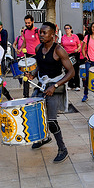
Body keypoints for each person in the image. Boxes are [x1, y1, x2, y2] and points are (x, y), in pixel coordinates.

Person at [27, 22, 74, 163]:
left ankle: (62, 149)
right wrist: (33, 75)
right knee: (36, 114)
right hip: (42, 86)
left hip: (55, 87)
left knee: (51, 120)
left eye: (44, 33)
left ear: (53, 35)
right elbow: (40, 66)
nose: (41, 35)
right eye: (40, 32)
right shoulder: (38, 48)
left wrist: (55, 85)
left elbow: (71, 72)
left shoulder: (59, 50)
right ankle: (45, 138)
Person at [20, 15, 41, 97]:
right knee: (26, 76)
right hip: (28, 56)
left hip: (37, 56)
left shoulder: (37, 31)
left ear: (32, 22)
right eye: (26, 23)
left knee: (39, 74)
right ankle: (25, 95)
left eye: (29, 23)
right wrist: (20, 48)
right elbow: (24, 42)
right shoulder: (25, 31)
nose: (27, 24)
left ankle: (42, 91)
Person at [61, 24, 81, 91]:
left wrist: (77, 50)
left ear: (71, 29)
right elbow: (61, 46)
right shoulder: (63, 37)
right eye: (65, 28)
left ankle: (77, 85)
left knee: (75, 69)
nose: (67, 30)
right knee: (68, 70)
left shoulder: (75, 37)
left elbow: (79, 45)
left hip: (74, 54)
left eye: (68, 28)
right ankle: (70, 84)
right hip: (67, 55)